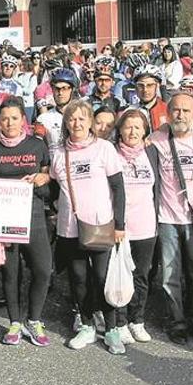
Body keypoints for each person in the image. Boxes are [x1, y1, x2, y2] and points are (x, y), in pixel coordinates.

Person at [49, 100, 126, 354]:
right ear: (66, 123)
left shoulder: (104, 149)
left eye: (82, 118)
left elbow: (118, 188)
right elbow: (51, 187)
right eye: (72, 119)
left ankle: (112, 328)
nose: (77, 123)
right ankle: (87, 324)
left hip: (100, 225)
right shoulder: (59, 153)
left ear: (91, 122)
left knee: (103, 279)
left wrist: (120, 224)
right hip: (70, 227)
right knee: (78, 279)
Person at [0, 97, 53, 346]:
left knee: (42, 270)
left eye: (15, 118)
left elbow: (48, 172)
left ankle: (34, 319)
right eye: (5, 118)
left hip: (34, 216)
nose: (9, 123)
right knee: (11, 273)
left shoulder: (37, 145)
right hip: (4, 221)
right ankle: (15, 322)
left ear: (23, 120)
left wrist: (44, 179)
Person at [150, 92, 193, 345]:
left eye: (186, 111)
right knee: (170, 274)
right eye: (176, 110)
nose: (180, 115)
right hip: (167, 218)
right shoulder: (156, 139)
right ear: (168, 113)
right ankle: (176, 323)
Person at [113, 109, 160, 344]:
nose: (132, 131)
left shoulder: (152, 152)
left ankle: (137, 320)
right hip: (120, 226)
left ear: (145, 131)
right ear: (119, 129)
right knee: (121, 276)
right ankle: (119, 321)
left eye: (137, 127)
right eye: (128, 126)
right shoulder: (111, 153)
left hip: (146, 225)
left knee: (141, 275)